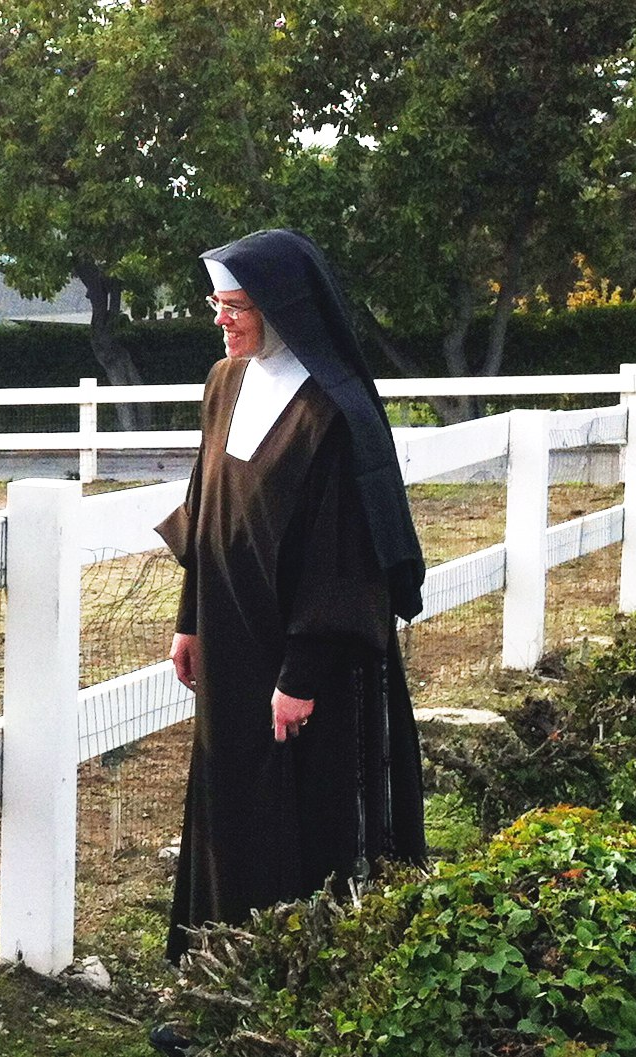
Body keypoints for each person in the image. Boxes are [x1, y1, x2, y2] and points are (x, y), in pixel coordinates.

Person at [153, 229, 429, 982]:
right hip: (230, 644)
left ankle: (295, 977)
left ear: (280, 307)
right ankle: (216, 969)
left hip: (301, 661)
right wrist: (189, 620)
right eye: (215, 304)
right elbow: (205, 511)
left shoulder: (331, 415)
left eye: (235, 306)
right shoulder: (223, 383)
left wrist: (301, 674)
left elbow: (341, 558)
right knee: (228, 806)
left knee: (295, 814)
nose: (221, 320)